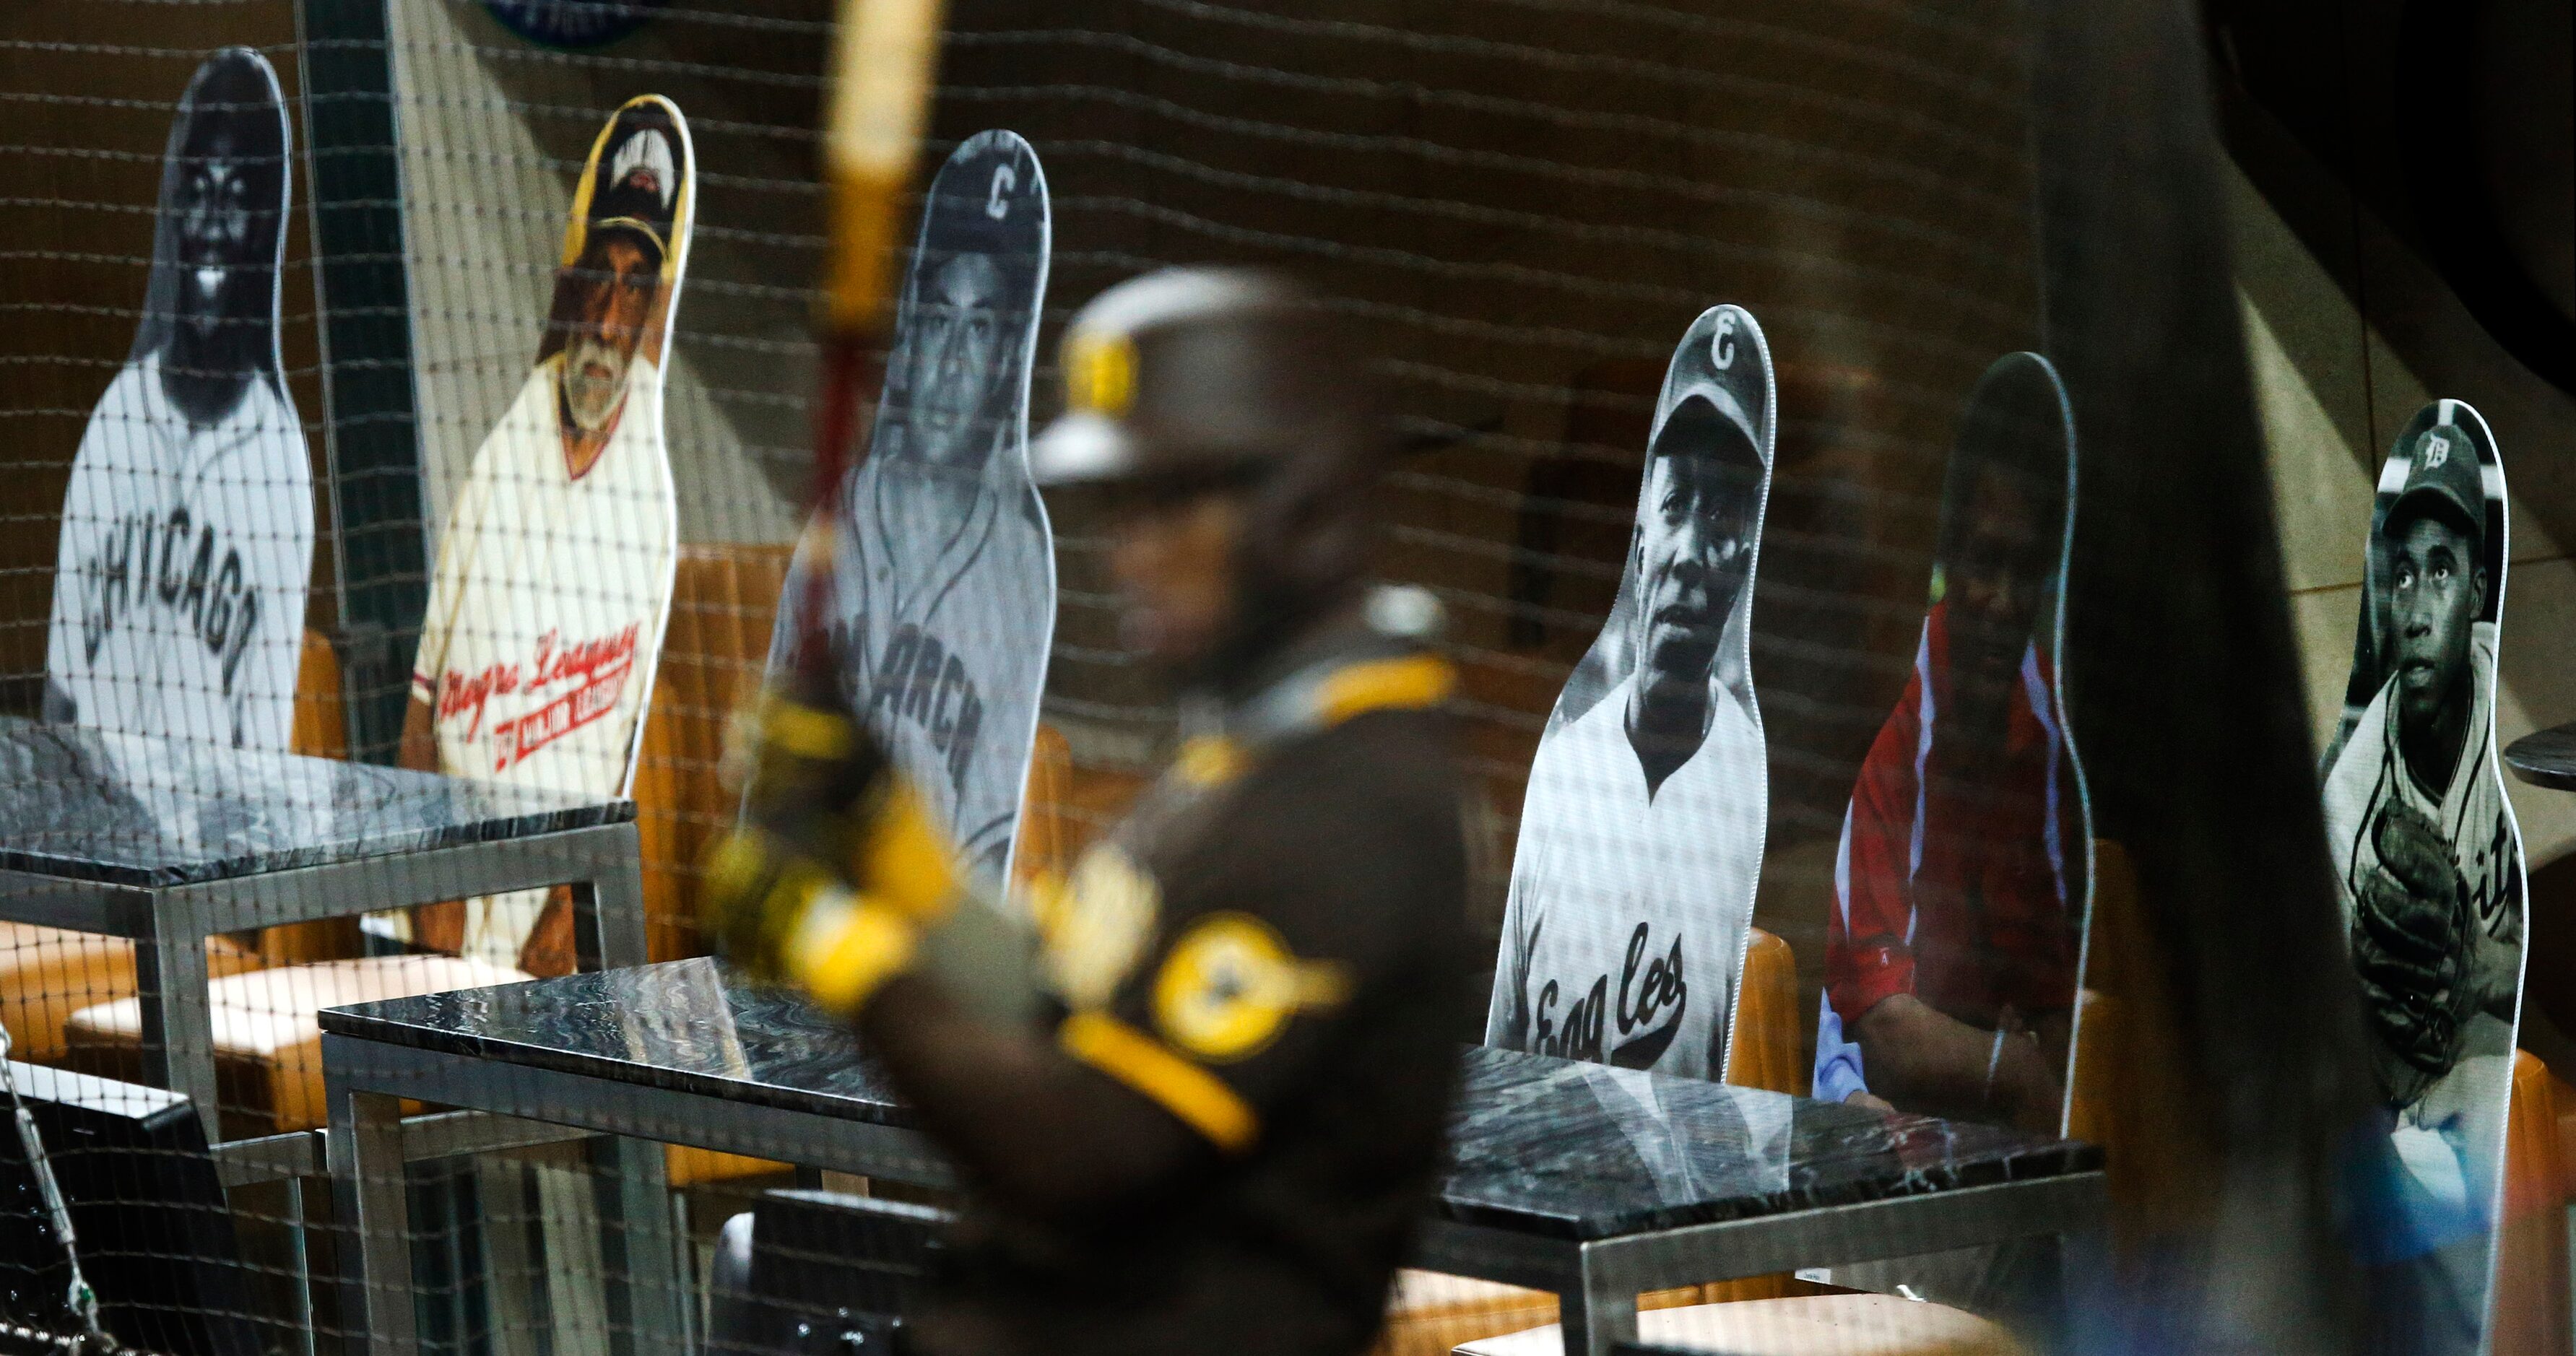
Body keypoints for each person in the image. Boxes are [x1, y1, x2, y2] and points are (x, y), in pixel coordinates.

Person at [704, 268, 1469, 1356]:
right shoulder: (1253, 754)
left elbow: (1085, 1152)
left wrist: (831, 942)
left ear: (1301, 504)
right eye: (1117, 509)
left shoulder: (1354, 805)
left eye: (1169, 503)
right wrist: (887, 839)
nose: (1130, 551)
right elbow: (1062, 1005)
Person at [399, 97, 691, 972]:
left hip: (551, 957)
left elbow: (629, 779)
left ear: (653, 311)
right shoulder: (496, 465)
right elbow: (421, 722)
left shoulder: (652, 508)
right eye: (596, 278)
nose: (606, 317)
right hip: (441, 943)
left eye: (634, 286)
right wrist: (438, 950)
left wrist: (547, 955)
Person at [1486, 305, 1771, 1080]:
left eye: (1722, 510)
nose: (1691, 553)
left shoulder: (1749, 782)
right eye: (1677, 503)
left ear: (1748, 551)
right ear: (1641, 536)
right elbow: (1505, 1052)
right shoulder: (1565, 762)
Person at [770, 131, 1052, 886]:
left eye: (981, 329)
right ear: (910, 340)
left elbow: (992, 854)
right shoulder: (834, 526)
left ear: (1004, 362)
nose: (953, 359)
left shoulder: (1020, 562)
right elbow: (765, 799)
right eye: (937, 322)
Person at [1816, 353, 2084, 1135]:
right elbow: (1886, 1031)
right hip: (1870, 1087)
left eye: (2024, 569)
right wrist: (2021, 1071)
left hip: (1985, 1089)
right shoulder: (1896, 731)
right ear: (1946, 564)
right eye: (1983, 562)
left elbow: (2055, 991)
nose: (2003, 600)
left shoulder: (2044, 730)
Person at [2319, 416, 2520, 1355]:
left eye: (2438, 570)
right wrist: (2375, 1029)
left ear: (2474, 590)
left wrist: (2480, 973)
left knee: (2499, 1098)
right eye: (2399, 573)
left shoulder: (2512, 745)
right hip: (2402, 1116)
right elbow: (2321, 1058)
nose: (2414, 600)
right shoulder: (2350, 798)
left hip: (2493, 1087)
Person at [46, 48, 313, 755]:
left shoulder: (279, 461)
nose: (212, 221)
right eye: (198, 187)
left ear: (265, 223)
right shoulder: (115, 421)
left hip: (198, 851)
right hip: (95, 839)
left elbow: (265, 744)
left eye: (238, 193)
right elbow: (61, 689)